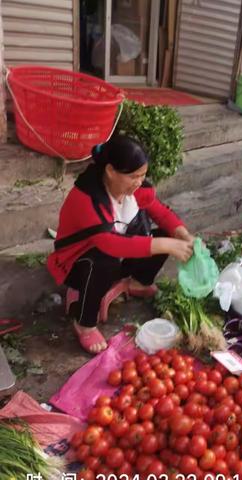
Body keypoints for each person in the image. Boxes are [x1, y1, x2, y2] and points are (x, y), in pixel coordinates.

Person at [47, 135, 195, 354]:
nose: (139, 181)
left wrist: (182, 234)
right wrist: (164, 245)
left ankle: (137, 283)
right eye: (134, 176)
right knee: (106, 260)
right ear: (110, 171)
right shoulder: (86, 198)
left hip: (119, 255)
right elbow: (110, 244)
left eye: (143, 175)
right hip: (79, 264)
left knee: (165, 234)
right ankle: (85, 325)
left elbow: (160, 211)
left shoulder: (134, 189)